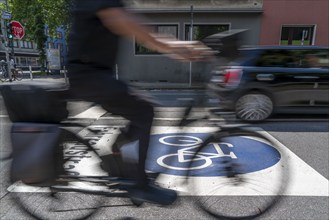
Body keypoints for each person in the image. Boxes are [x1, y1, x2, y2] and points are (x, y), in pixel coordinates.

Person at [67, 0, 211, 205]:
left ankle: (118, 162)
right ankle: (139, 185)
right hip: (89, 76)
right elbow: (124, 21)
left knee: (139, 107)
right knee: (143, 110)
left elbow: (127, 19)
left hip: (94, 75)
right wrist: (174, 46)